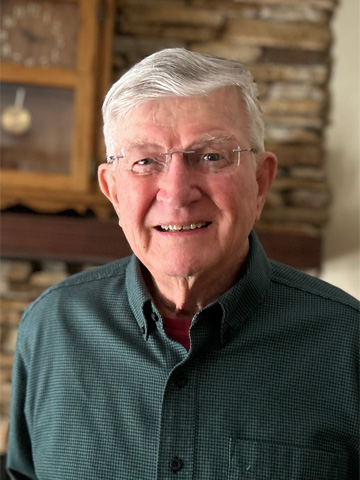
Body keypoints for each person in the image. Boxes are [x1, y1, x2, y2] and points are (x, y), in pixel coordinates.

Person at [7, 48, 359, 479]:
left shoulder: (349, 345)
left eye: (211, 155)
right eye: (145, 161)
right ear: (112, 189)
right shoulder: (51, 328)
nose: (176, 192)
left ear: (260, 181)